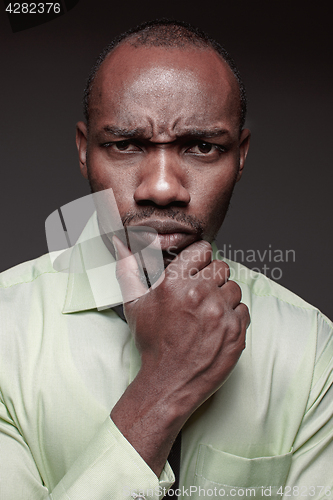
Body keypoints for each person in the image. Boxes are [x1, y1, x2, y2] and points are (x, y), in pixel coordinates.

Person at [0, 19, 332, 500]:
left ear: (239, 157)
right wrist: (163, 387)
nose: (160, 188)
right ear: (83, 151)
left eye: (201, 147)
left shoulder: (311, 348)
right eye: (126, 144)